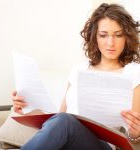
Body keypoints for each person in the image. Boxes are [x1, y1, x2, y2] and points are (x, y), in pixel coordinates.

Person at [12, 3, 140, 150]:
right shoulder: (78, 70)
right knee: (63, 120)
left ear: (127, 37)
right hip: (69, 140)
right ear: (94, 37)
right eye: (103, 35)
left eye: (118, 35)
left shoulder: (134, 73)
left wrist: (136, 133)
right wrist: (28, 108)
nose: (110, 43)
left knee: (65, 121)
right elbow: (59, 119)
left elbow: (133, 138)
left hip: (102, 146)